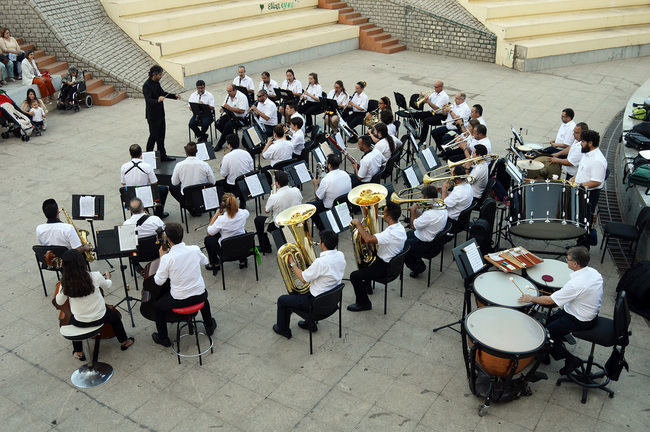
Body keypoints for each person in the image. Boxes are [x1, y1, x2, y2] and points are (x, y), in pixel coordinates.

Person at [518, 247, 602, 375]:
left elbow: (549, 302)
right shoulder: (593, 272)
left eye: (567, 260)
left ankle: (571, 360)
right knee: (546, 323)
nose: (566, 261)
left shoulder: (576, 284)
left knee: (546, 334)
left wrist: (531, 298)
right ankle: (545, 352)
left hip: (580, 319)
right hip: (583, 312)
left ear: (575, 264)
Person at [56, 249, 134, 360]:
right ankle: (124, 342)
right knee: (115, 318)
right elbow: (107, 285)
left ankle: (78, 352)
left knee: (71, 321)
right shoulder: (95, 276)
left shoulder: (65, 283)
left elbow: (59, 302)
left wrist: (62, 287)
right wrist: (107, 278)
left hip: (80, 321)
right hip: (101, 316)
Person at [152, 223, 216, 347]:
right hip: (199, 295)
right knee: (203, 296)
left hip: (179, 300)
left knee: (158, 307)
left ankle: (163, 338)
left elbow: (158, 281)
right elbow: (206, 261)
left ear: (168, 239)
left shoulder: (167, 258)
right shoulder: (194, 249)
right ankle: (209, 326)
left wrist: (162, 258)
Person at [273, 230, 346, 338]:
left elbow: (303, 278)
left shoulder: (320, 262)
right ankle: (310, 324)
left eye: (320, 241)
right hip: (332, 301)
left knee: (282, 300)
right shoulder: (340, 255)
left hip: (315, 305)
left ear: (323, 244)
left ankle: (283, 329)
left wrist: (292, 263)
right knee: (299, 293)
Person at [348, 204, 406, 311]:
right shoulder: (400, 227)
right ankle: (367, 287)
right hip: (391, 263)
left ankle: (364, 303)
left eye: (384, 212)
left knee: (354, 276)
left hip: (384, 268)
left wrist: (359, 225)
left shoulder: (390, 233)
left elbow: (368, 239)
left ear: (388, 216)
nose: (382, 214)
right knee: (364, 261)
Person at [570, 129, 607, 248]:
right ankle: (578, 244)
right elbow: (582, 169)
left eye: (583, 142)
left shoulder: (597, 160)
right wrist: (574, 178)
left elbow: (596, 181)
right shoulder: (587, 153)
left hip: (590, 195)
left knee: (586, 221)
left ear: (590, 143)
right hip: (582, 191)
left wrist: (580, 185)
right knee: (579, 219)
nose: (581, 143)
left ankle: (583, 249)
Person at [404, 185, 448, 277]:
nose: (421, 198)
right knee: (407, 235)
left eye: (422, 196)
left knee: (403, 247)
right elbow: (426, 220)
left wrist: (412, 211)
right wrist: (416, 212)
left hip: (426, 245)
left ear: (427, 197)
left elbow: (413, 226)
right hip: (434, 239)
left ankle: (418, 267)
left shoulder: (429, 214)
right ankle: (416, 258)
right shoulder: (442, 207)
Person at [254, 171, 302, 252]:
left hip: (281, 225)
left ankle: (265, 247)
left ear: (276, 183)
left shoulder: (274, 197)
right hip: (295, 220)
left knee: (258, 220)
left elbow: (266, 210)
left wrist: (271, 197)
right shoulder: (296, 190)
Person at [142, 65, 181, 162]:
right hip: (153, 116)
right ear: (154, 74)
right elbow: (149, 100)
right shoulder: (146, 85)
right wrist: (157, 100)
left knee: (161, 136)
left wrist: (174, 96)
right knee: (153, 136)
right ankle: (148, 157)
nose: (161, 76)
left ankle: (162, 155)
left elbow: (163, 93)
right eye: (160, 75)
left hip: (160, 114)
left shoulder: (157, 83)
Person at [120, 144, 169, 218]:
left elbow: (123, 183)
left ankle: (144, 211)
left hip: (131, 196)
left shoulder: (124, 166)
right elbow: (154, 183)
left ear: (130, 154)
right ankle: (159, 213)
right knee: (164, 189)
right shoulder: (147, 166)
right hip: (144, 194)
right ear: (141, 153)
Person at [204, 193, 250, 271]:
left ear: (223, 204)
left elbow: (209, 232)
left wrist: (216, 215)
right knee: (243, 232)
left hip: (227, 251)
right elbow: (245, 213)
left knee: (208, 239)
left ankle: (214, 263)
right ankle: (243, 261)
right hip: (242, 247)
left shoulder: (221, 219)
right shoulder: (244, 213)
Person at [310, 154, 352, 230]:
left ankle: (322, 227)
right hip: (343, 203)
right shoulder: (345, 174)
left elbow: (318, 197)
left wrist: (315, 185)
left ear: (329, 165)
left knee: (310, 206)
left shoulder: (326, 180)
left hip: (330, 206)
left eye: (326, 163)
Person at [169, 142, 216, 207]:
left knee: (172, 187)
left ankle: (189, 207)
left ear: (186, 151)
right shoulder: (204, 165)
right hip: (201, 195)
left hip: (187, 195)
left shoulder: (179, 165)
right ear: (197, 151)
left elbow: (174, 183)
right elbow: (213, 182)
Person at [219, 134, 254, 208]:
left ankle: (228, 202)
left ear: (229, 145)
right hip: (245, 183)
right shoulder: (246, 153)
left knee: (220, 183)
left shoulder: (226, 157)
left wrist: (221, 167)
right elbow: (251, 170)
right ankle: (242, 201)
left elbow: (223, 174)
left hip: (233, 186)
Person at [214, 84, 249, 151]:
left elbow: (242, 111)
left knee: (227, 126)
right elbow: (224, 105)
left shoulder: (242, 97)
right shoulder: (228, 96)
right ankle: (232, 137)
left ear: (235, 90)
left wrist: (230, 108)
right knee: (217, 123)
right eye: (227, 91)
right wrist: (223, 108)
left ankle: (220, 144)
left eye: (230, 91)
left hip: (240, 117)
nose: (228, 93)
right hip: (230, 115)